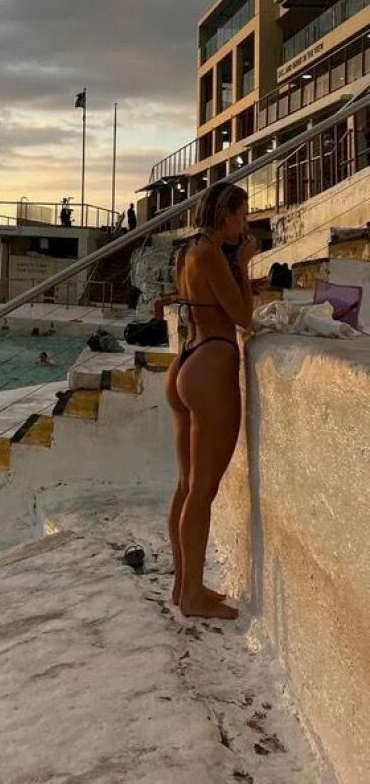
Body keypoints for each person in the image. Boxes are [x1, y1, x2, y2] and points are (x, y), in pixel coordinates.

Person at [163, 181, 256, 620]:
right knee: (202, 491)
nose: (245, 224)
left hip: (186, 359)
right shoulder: (212, 252)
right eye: (242, 215)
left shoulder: (187, 250)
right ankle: (193, 596)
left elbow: (196, 299)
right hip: (212, 363)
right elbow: (243, 317)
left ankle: (184, 584)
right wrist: (245, 266)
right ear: (225, 215)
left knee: (186, 487)